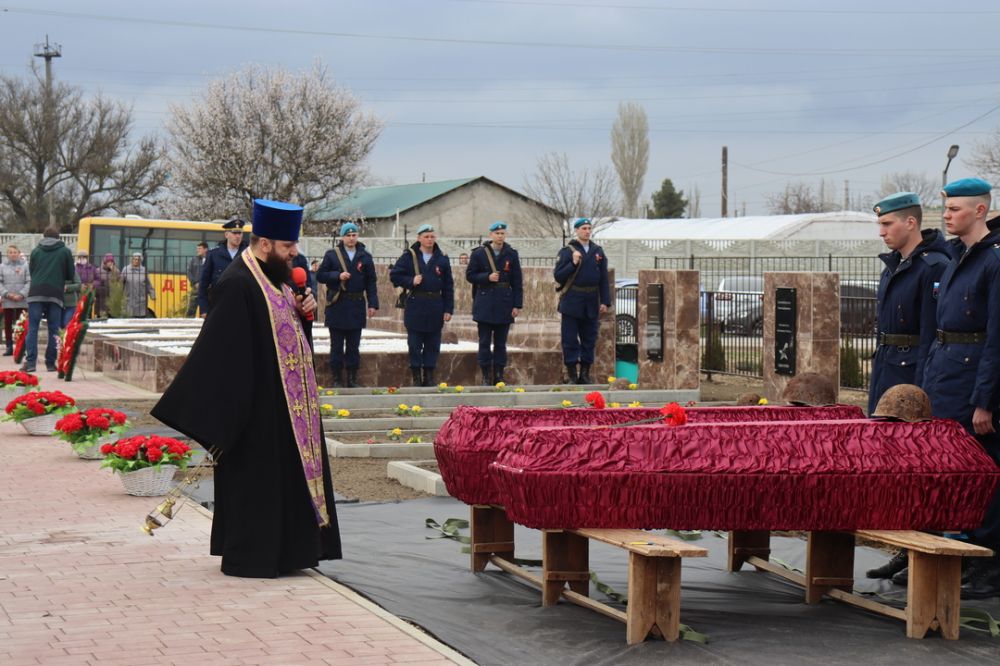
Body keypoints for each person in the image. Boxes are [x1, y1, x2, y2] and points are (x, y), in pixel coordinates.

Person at [151, 198, 341, 578]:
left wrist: (305, 317)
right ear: (266, 243)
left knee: (286, 482)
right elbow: (220, 353)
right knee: (258, 486)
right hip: (257, 411)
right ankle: (255, 557)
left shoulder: (275, 280)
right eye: (288, 247)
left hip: (289, 407)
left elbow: (287, 342)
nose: (295, 254)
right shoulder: (237, 283)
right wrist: (232, 411)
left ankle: (290, 552)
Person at [922, 177, 1000, 598]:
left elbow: (995, 337)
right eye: (946, 209)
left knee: (982, 473)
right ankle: (965, 556)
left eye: (954, 210)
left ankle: (988, 565)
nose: (946, 216)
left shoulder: (993, 261)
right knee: (956, 473)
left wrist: (984, 401)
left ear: (980, 211)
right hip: (946, 374)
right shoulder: (958, 257)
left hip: (972, 381)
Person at [867, 192, 950, 415]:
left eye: (887, 224)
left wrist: (922, 389)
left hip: (910, 374)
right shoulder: (891, 268)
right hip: (886, 369)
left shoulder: (934, 266)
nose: (881, 232)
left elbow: (930, 334)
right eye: (880, 224)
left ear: (910, 222)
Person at [390, 224, 454, 387]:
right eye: (426, 236)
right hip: (415, 305)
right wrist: (410, 281)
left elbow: (448, 286)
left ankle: (429, 375)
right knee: (414, 343)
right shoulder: (409, 256)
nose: (430, 239)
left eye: (432, 236)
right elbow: (395, 276)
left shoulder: (442, 259)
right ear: (419, 238)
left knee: (433, 343)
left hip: (435, 306)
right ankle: (417, 376)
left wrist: (448, 309)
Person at [317, 222, 379, 388]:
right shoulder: (332, 254)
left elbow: (371, 282)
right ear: (343, 237)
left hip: (356, 305)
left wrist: (373, 304)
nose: (351, 238)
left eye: (354, 235)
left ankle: (352, 378)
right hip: (337, 304)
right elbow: (321, 275)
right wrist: (337, 275)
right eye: (348, 235)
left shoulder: (365, 256)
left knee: (353, 345)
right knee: (336, 345)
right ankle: (337, 378)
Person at [554, 217, 611, 384]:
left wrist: (605, 301)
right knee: (570, 338)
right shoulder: (567, 251)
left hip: (591, 300)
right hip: (572, 300)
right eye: (583, 228)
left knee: (589, 338)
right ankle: (571, 373)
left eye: (588, 228)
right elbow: (558, 275)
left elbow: (603, 279)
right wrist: (573, 263)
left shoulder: (597, 251)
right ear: (576, 231)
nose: (587, 231)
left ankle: (585, 373)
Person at [466, 221, 523, 385]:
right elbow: (470, 275)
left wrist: (516, 305)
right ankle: (485, 375)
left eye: (503, 233)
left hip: (504, 302)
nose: (500, 236)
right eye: (497, 233)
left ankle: (498, 374)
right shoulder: (479, 253)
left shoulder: (511, 254)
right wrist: (486, 277)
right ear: (490, 235)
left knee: (501, 343)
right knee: (484, 342)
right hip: (484, 302)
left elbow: (517, 281)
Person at [23, 228, 74, 372]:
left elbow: (32, 272)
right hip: (55, 293)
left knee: (33, 328)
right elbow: (70, 274)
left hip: (36, 292)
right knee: (53, 329)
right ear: (59, 237)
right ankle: (50, 363)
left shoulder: (36, 251)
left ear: (44, 236)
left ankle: (31, 363)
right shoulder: (65, 251)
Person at [198, 217, 248, 316]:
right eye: (234, 233)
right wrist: (204, 309)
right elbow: (203, 283)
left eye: (240, 233)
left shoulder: (248, 253)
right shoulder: (214, 254)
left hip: (243, 305)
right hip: (218, 305)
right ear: (226, 234)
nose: (238, 236)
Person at [0, 245, 30, 355]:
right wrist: (7, 294)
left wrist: (21, 294)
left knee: (21, 324)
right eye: (10, 252)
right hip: (8, 300)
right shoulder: (2, 266)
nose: (13, 254)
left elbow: (29, 282)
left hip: (22, 300)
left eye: (15, 252)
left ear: (19, 253)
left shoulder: (25, 265)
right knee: (8, 324)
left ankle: (20, 346)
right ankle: (9, 347)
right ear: (7, 254)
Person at [120, 253, 155, 318]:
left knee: (140, 319)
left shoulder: (144, 270)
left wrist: (152, 294)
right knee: (129, 317)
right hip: (129, 299)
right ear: (131, 260)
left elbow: (148, 284)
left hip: (141, 299)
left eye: (138, 259)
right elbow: (121, 283)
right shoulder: (126, 269)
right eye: (134, 259)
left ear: (140, 261)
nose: (136, 261)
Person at [73, 250, 101, 318]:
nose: (82, 259)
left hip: (89, 294)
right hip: (77, 294)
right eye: (80, 257)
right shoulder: (74, 267)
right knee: (77, 313)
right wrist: (80, 286)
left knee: (87, 312)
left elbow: (98, 279)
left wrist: (92, 285)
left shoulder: (92, 268)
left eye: (84, 257)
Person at [186, 241, 208, 317]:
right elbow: (188, 272)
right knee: (191, 308)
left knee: (204, 309)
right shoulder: (194, 259)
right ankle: (189, 324)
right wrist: (195, 283)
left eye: (200, 248)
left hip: (206, 288)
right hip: (196, 288)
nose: (198, 250)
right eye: (197, 248)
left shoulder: (210, 259)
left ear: (205, 249)